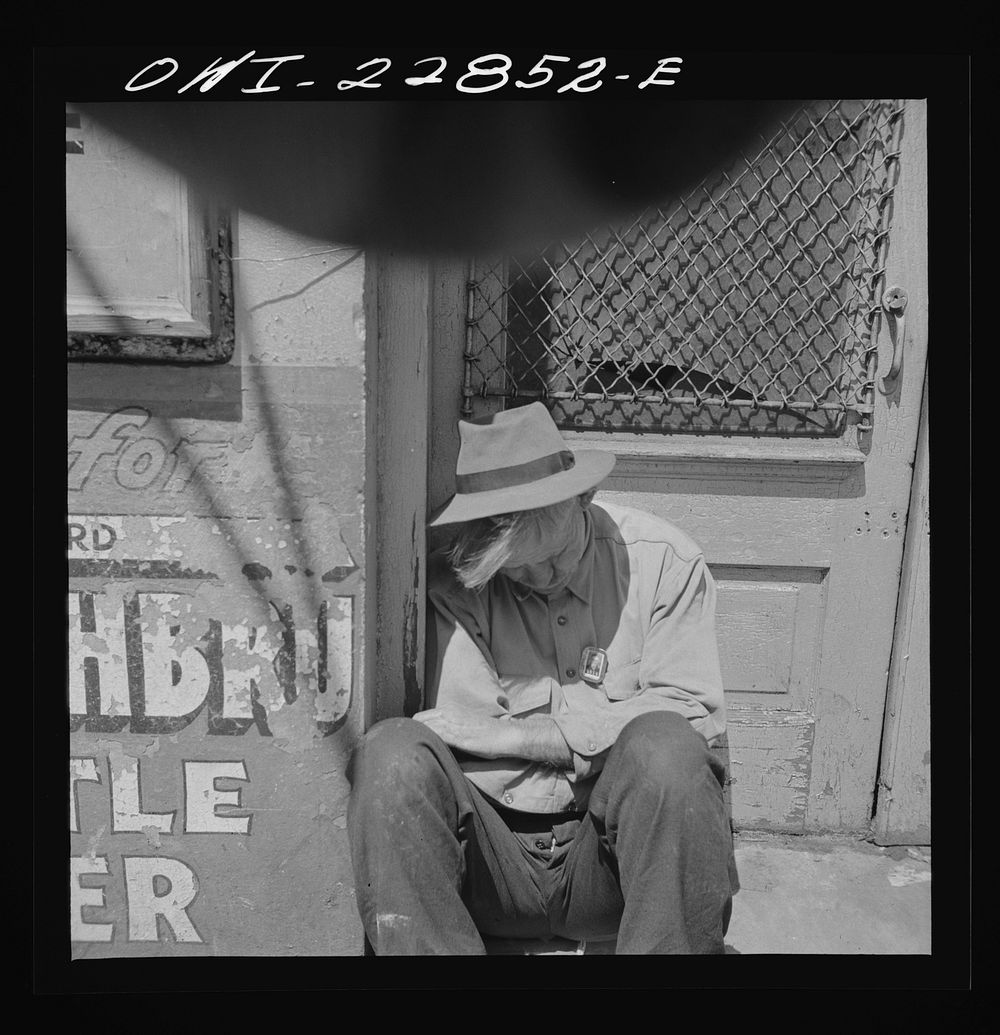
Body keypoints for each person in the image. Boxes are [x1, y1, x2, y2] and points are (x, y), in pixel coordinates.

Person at [347, 402, 738, 954]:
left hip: (612, 862)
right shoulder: (459, 581)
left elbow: (690, 715)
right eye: (518, 567)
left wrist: (519, 736)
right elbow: (464, 747)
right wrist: (603, 737)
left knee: (669, 747)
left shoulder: (665, 562)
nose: (540, 579)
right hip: (492, 861)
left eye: (553, 557)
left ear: (585, 496)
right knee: (390, 754)